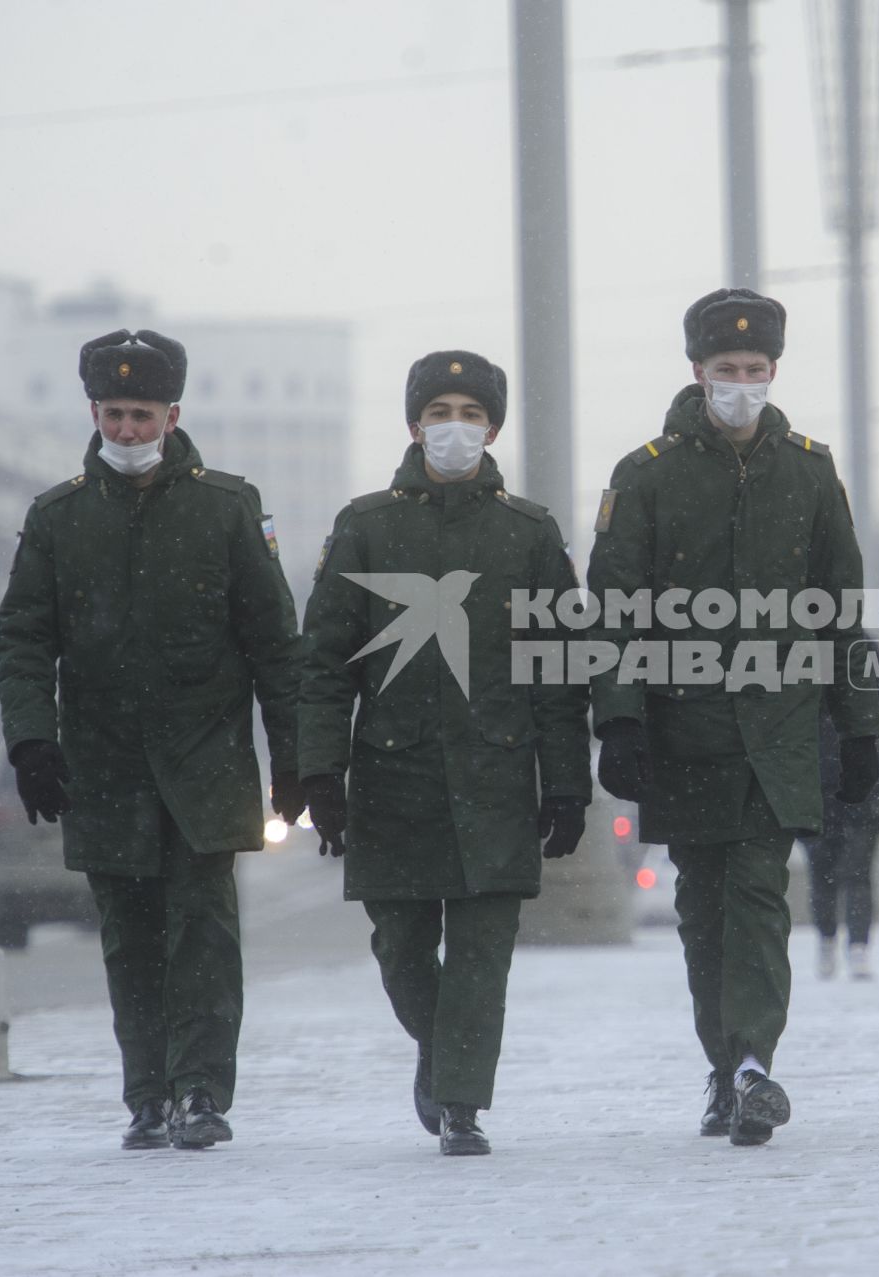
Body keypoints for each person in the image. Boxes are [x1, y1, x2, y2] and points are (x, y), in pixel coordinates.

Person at [0, 329, 304, 1151]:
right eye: (114, 414)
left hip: (205, 760)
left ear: (173, 413)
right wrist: (32, 742)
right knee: (129, 935)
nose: (128, 431)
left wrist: (298, 758)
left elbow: (275, 644)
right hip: (103, 765)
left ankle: (201, 1090)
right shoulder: (58, 516)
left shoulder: (227, 508)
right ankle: (147, 1094)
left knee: (202, 929)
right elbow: (24, 636)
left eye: (142, 414)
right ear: (94, 413)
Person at [587, 288, 879, 1145]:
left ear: (776, 372)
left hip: (779, 731)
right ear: (698, 372)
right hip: (685, 730)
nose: (742, 386)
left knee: (758, 892)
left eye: (756, 371)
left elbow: (841, 606)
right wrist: (620, 720)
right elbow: (613, 608)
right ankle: (723, 1068)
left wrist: (858, 723)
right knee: (702, 906)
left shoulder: (809, 469)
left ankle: (754, 1063)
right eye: (727, 371)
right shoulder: (647, 474)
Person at [299, 351, 590, 1156]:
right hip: (394, 777)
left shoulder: (529, 534)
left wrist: (569, 783)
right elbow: (322, 662)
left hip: (498, 776)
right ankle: (439, 1048)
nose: (453, 426)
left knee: (482, 952)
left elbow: (561, 673)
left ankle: (460, 1102)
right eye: (439, 411)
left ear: (492, 427)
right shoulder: (366, 525)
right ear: (414, 423)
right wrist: (320, 770)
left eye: (469, 411)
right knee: (400, 945)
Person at [807, 691, 879, 980]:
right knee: (828, 876)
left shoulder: (872, 702)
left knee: (853, 875)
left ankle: (856, 946)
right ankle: (830, 941)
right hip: (824, 803)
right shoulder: (812, 702)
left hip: (860, 803)